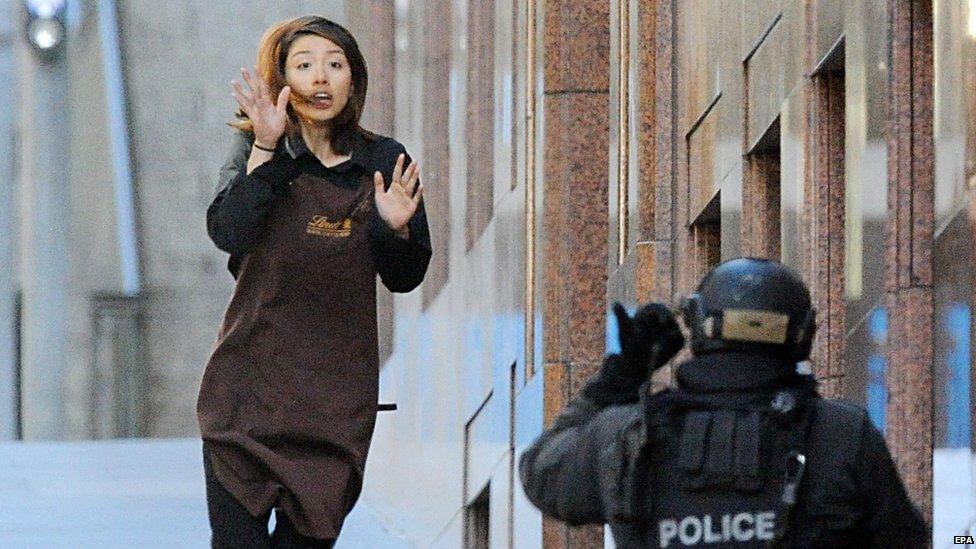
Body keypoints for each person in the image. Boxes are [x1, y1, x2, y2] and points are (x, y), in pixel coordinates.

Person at [197, 16, 431, 548]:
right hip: (246, 399)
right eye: (304, 66)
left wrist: (395, 228)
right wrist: (265, 151)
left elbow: (406, 277)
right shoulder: (257, 148)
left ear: (354, 79)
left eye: (334, 64)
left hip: (333, 411)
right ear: (283, 80)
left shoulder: (383, 160)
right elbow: (229, 231)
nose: (320, 78)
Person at [519, 258, 928, 548]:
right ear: (803, 336)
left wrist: (624, 374)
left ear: (697, 327)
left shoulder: (628, 435)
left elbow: (542, 473)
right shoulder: (842, 436)